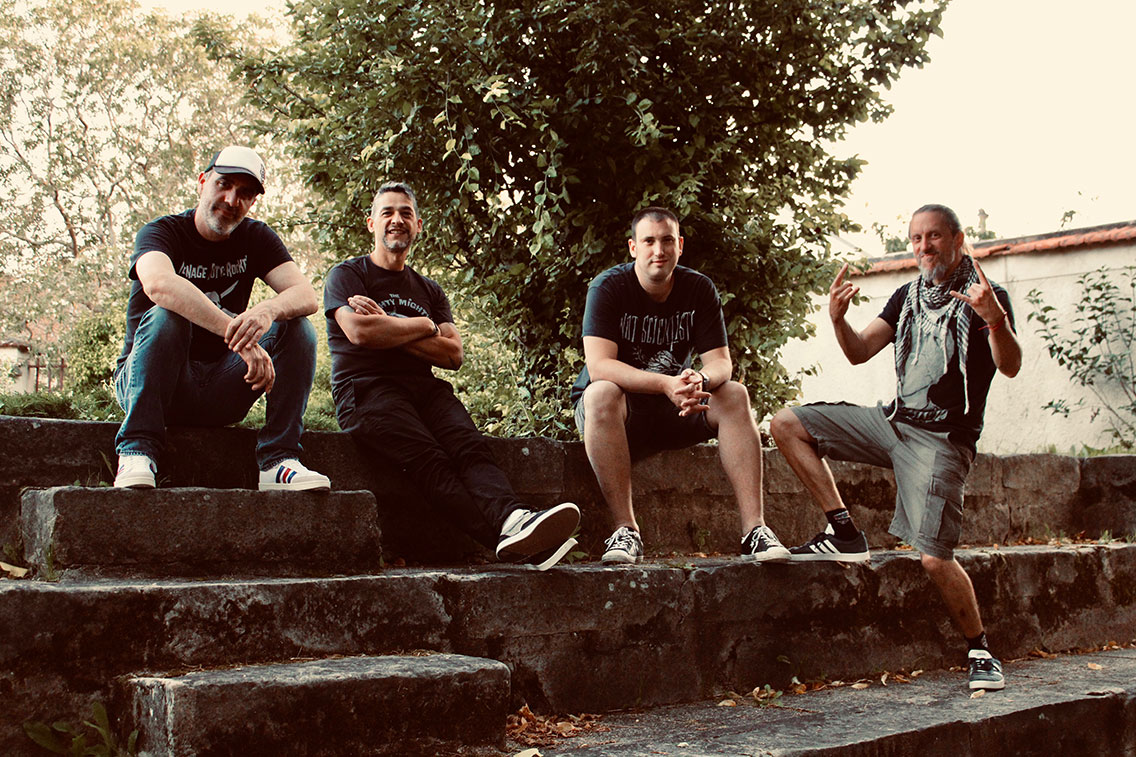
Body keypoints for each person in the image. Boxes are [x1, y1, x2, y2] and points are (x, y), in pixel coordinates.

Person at [769, 203, 1021, 691]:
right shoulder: (907, 296)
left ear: (957, 239)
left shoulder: (985, 295)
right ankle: (844, 532)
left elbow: (1009, 366)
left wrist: (995, 320)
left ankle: (980, 649)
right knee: (787, 424)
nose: (924, 247)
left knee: (933, 558)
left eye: (934, 236)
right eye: (916, 238)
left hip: (943, 440)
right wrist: (838, 320)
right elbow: (859, 351)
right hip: (893, 423)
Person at [324, 182, 579, 570]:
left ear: (418, 225)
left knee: (469, 447)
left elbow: (453, 354)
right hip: (366, 390)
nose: (397, 220)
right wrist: (423, 326)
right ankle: (515, 541)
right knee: (431, 460)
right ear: (371, 223)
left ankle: (515, 519)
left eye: (406, 213)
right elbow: (360, 332)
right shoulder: (347, 275)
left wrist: (390, 325)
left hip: (424, 390)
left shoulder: (429, 290)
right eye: (387, 212)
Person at [571, 207, 790, 565]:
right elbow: (599, 366)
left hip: (675, 407)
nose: (659, 250)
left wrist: (700, 379)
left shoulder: (699, 288)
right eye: (649, 241)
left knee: (734, 394)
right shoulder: (608, 287)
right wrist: (664, 383)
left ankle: (755, 530)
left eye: (667, 240)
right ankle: (626, 530)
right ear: (633, 247)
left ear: (680, 245)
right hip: (618, 414)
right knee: (601, 393)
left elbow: (721, 363)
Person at [113, 145, 330, 491]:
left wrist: (266, 310)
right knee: (167, 316)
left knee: (298, 328)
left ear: (253, 202)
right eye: (224, 184)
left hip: (219, 389)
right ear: (202, 182)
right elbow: (159, 285)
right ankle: (136, 451)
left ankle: (279, 460)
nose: (231, 200)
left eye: (244, 193)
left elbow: (305, 295)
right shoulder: (161, 232)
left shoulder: (256, 237)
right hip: (153, 384)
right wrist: (238, 336)